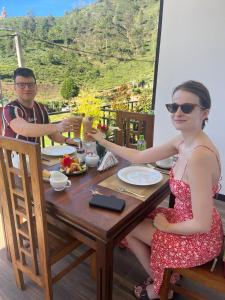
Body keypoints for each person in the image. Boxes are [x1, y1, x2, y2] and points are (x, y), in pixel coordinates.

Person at [88, 80, 224, 299]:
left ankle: (163, 288)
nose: (177, 112)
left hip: (199, 237)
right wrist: (104, 142)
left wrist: (168, 227)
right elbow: (139, 156)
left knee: (128, 227)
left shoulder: (199, 156)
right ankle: (164, 277)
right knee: (132, 219)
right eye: (173, 107)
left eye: (186, 107)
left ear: (204, 112)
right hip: (185, 220)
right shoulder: (183, 140)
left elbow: (202, 223)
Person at [2, 67, 77, 145]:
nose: (27, 89)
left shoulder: (41, 108)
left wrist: (67, 140)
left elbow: (52, 134)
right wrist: (57, 126)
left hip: (36, 154)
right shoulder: (10, 108)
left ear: (36, 87)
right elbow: (23, 129)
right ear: (15, 88)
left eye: (30, 85)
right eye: (21, 85)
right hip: (13, 155)